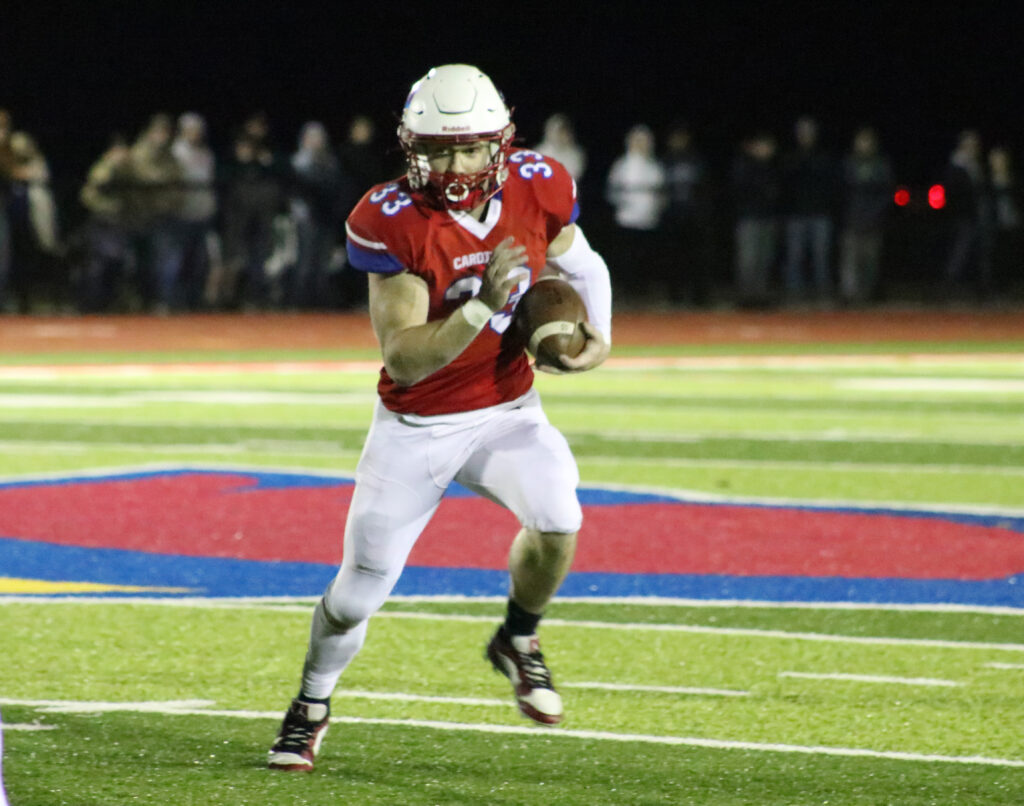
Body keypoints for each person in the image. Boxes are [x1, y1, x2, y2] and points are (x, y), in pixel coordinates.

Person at [268, 63, 612, 772]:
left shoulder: (537, 181)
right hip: (417, 427)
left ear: (502, 141)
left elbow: (587, 266)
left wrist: (598, 336)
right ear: (410, 148)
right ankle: (311, 701)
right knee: (358, 593)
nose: (457, 166)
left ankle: (517, 638)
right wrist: (483, 305)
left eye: (472, 148)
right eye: (440, 151)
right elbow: (405, 359)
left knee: (559, 517)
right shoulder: (388, 218)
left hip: (506, 409)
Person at [781, 116, 839, 305]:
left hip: (820, 214)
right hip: (796, 214)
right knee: (794, 257)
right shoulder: (790, 156)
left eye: (809, 132)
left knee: (821, 257)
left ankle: (822, 296)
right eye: (802, 132)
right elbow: (786, 183)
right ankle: (794, 297)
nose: (805, 136)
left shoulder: (823, 156)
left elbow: (830, 183)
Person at [605, 124, 666, 299]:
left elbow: (661, 193)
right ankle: (626, 292)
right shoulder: (622, 165)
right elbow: (612, 191)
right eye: (638, 141)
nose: (641, 145)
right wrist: (625, 204)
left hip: (649, 221)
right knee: (627, 258)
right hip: (627, 220)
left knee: (646, 259)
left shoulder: (655, 166)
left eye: (645, 141)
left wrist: (656, 208)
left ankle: (644, 292)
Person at [287, 121, 342, 309]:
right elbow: (298, 192)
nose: (316, 142)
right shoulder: (298, 163)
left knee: (323, 262)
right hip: (306, 218)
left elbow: (335, 190)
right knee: (306, 260)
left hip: (326, 217)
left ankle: (321, 303)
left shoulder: (330, 162)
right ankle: (300, 302)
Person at [838, 126, 893, 305]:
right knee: (850, 259)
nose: (864, 145)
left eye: (867, 141)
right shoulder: (848, 163)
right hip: (852, 219)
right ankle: (850, 296)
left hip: (874, 220)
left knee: (870, 260)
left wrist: (876, 213)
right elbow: (841, 192)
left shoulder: (881, 164)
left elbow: (886, 193)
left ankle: (867, 294)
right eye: (861, 141)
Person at [661, 122, 713, 304]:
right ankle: (675, 295)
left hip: (694, 216)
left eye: (682, 138)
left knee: (697, 258)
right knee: (674, 258)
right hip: (673, 216)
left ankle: (699, 296)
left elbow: (705, 188)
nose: (678, 141)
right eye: (675, 138)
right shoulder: (665, 161)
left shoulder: (696, 160)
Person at [171, 112, 217, 310]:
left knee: (201, 261)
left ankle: (194, 301)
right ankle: (176, 301)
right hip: (181, 214)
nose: (195, 134)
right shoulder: (175, 153)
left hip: (203, 213)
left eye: (198, 130)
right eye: (190, 130)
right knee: (180, 260)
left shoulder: (206, 154)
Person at [731, 131, 781, 307]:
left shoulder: (772, 167)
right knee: (748, 259)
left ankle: (761, 297)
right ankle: (745, 297)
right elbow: (742, 189)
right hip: (749, 218)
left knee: (764, 258)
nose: (767, 150)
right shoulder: (744, 164)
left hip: (768, 218)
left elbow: (777, 192)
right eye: (763, 146)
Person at [534, 113, 586, 182]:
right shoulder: (538, 153)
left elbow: (574, 174)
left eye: (564, 132)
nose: (562, 135)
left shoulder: (577, 154)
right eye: (559, 132)